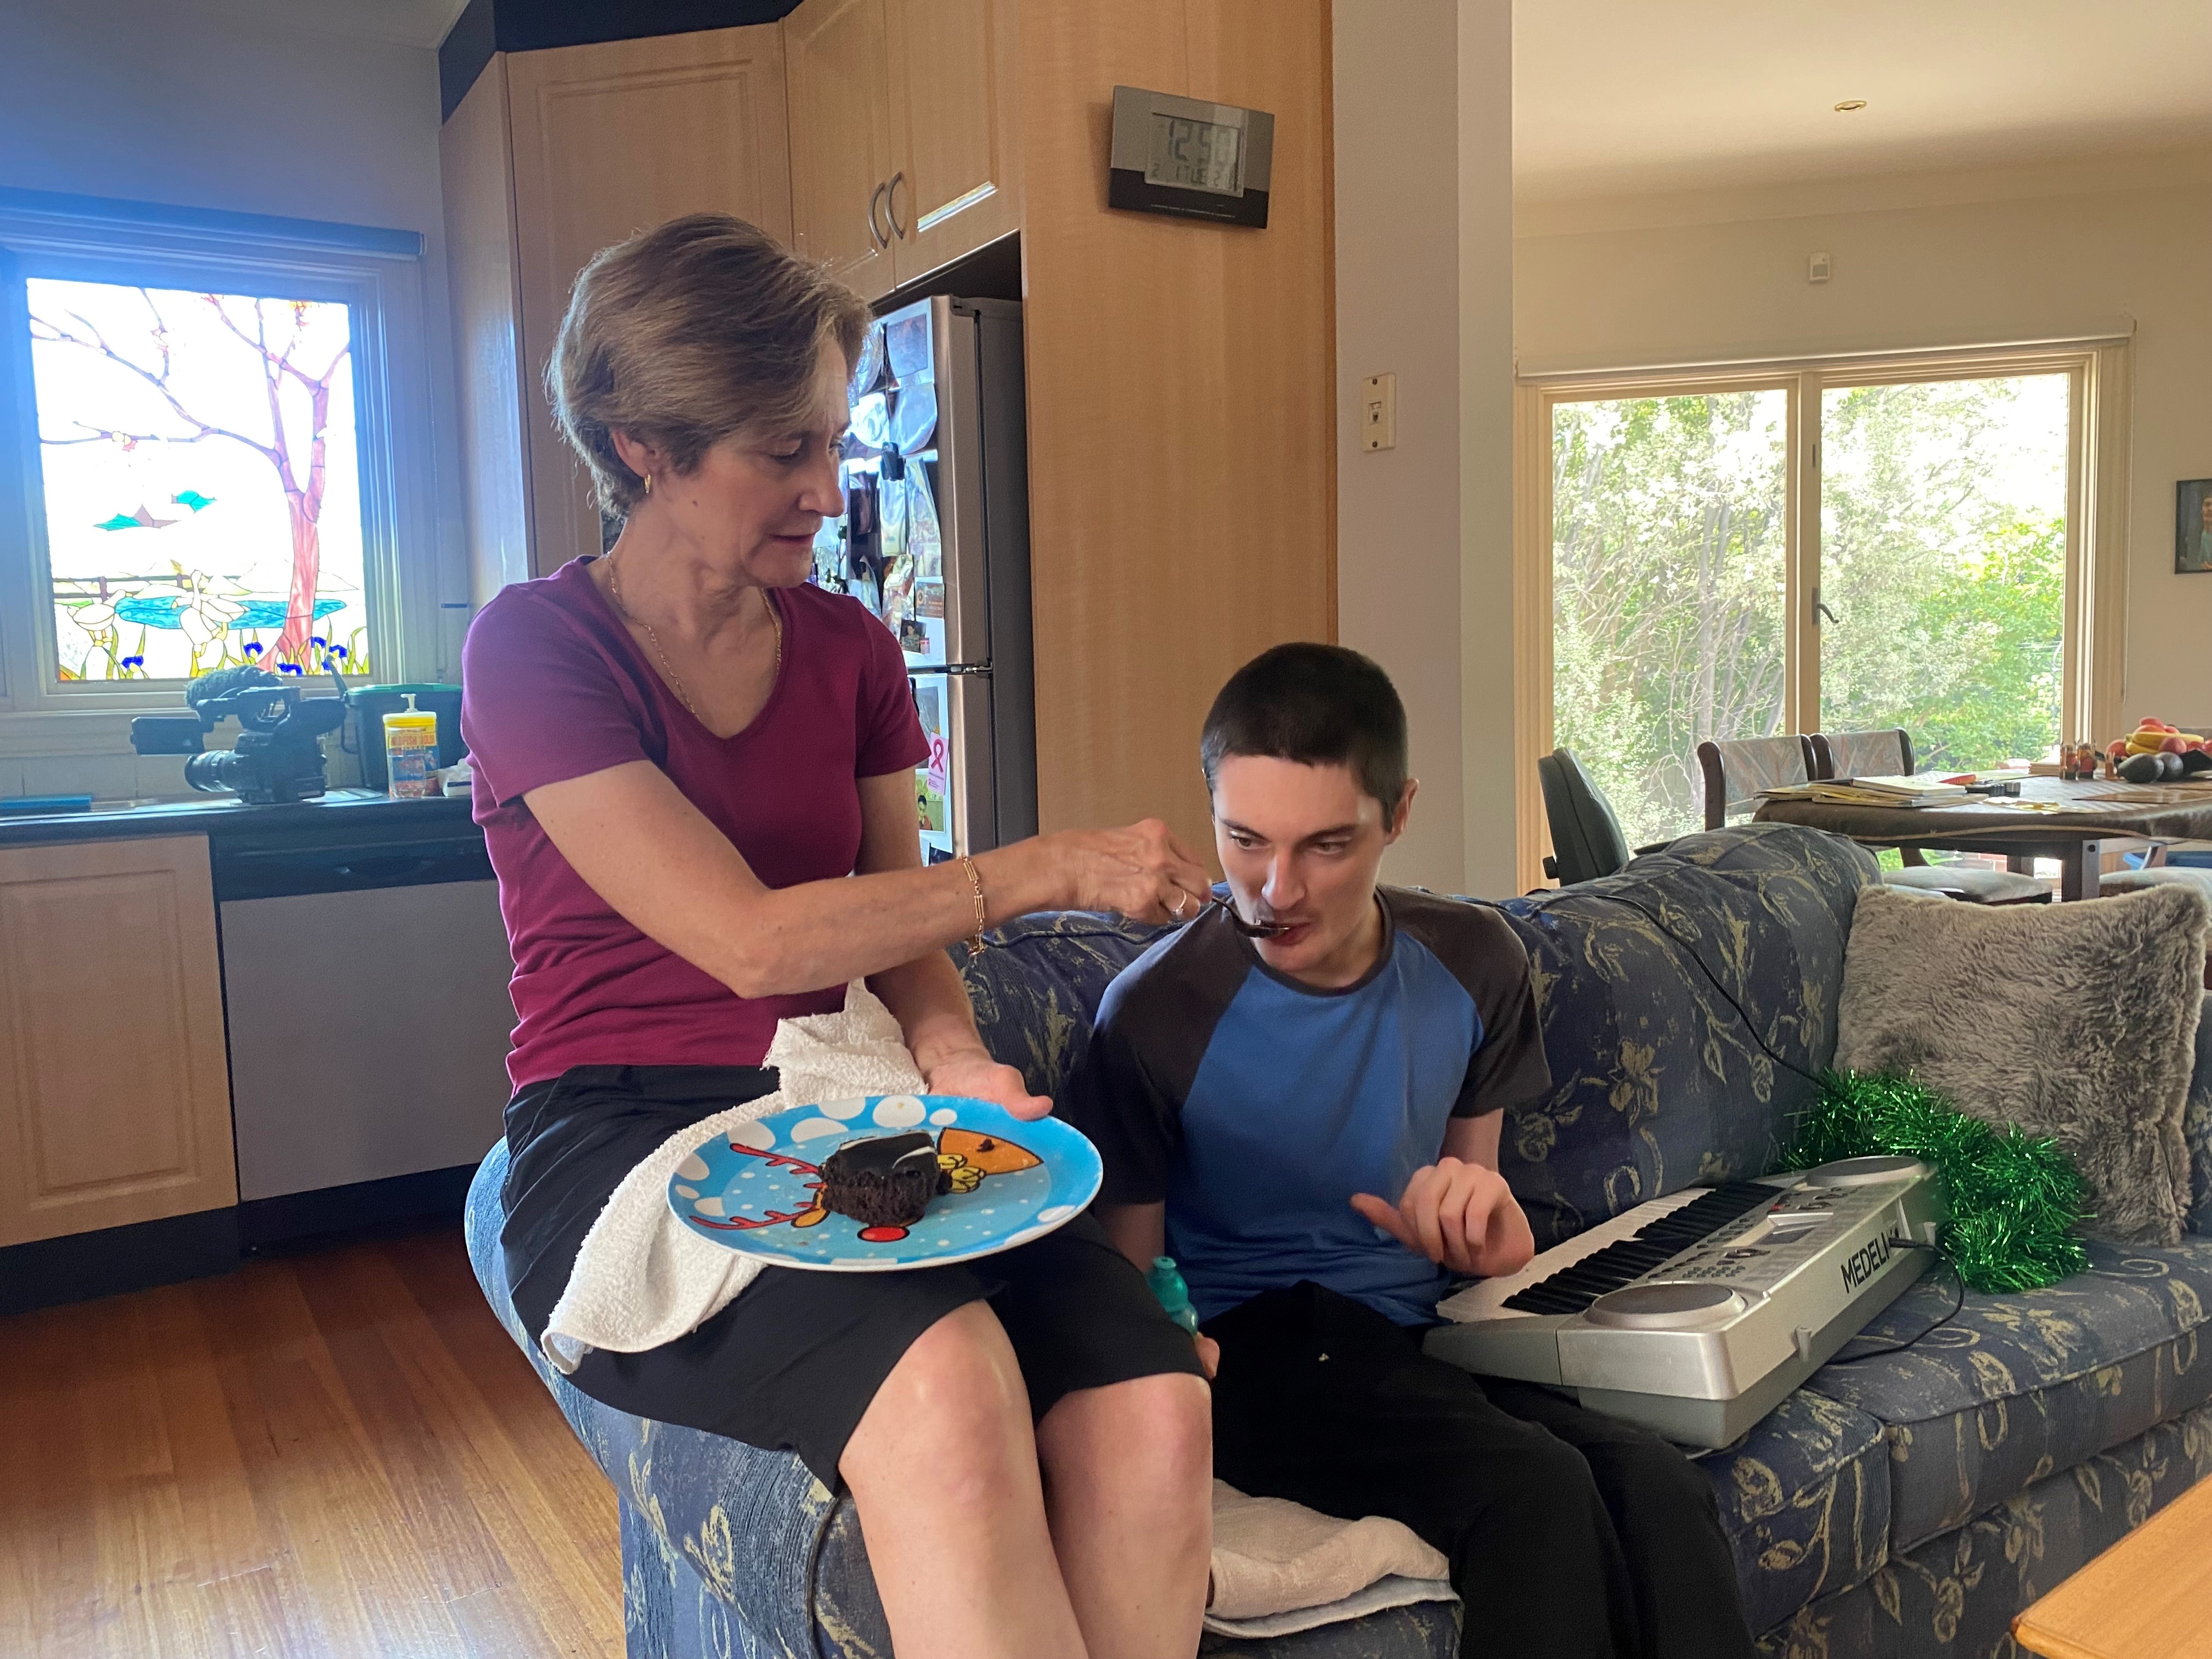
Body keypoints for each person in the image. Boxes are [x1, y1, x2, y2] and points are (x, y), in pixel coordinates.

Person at [460, 213, 1217, 1659]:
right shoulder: (537, 649)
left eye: (832, 440)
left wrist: (953, 1054)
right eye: (780, 451)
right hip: (627, 1126)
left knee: (1154, 1404)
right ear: (642, 449)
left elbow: (892, 926)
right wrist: (1048, 866)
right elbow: (751, 942)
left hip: (857, 1101)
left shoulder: (854, 648)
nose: (827, 487)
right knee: (947, 1393)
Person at [1063, 643, 1758, 1659]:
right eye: (1244, 840)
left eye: (1327, 847)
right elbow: (1130, 1293)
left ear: (1398, 815)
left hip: (1418, 1334)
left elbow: (1471, 1204)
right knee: (1533, 1490)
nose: (1275, 889)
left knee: (1657, 1482)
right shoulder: (1155, 1014)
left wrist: (1484, 1236)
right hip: (1255, 1349)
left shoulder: (1475, 961)